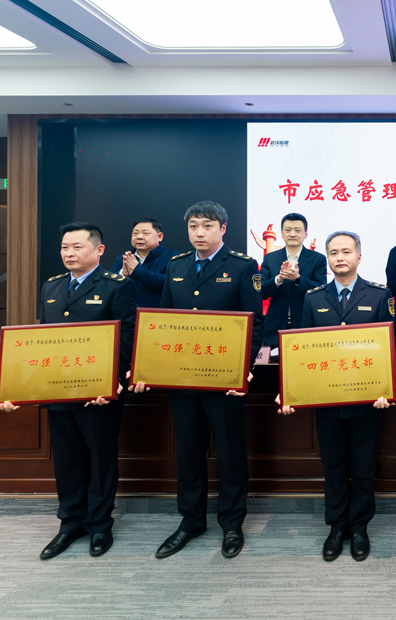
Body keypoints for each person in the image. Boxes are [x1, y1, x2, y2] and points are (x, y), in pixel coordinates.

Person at [0, 223, 140, 560]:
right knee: (67, 459)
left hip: (98, 392)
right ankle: (70, 522)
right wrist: (16, 385)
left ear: (98, 250)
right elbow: (41, 339)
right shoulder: (52, 286)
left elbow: (128, 337)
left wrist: (113, 381)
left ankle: (100, 524)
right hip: (58, 389)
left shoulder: (118, 286)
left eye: (76, 247)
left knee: (100, 458)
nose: (69, 254)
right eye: (64, 248)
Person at [154, 201, 264, 560]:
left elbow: (254, 323)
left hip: (224, 380)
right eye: (193, 226)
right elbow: (163, 321)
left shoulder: (243, 266)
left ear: (223, 228)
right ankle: (191, 521)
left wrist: (243, 368)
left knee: (230, 453)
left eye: (207, 226)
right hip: (184, 379)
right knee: (188, 451)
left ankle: (232, 523)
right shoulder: (176, 265)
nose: (199, 233)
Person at [276, 231, 394, 562]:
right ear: (326, 259)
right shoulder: (314, 297)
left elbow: (388, 347)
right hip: (327, 401)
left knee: (363, 467)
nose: (340, 258)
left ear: (359, 257)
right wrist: (291, 390)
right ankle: (337, 527)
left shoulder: (380, 294)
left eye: (346, 252)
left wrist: (386, 389)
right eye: (333, 253)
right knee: (334, 466)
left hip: (366, 401)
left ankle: (360, 527)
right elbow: (301, 348)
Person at [259, 212, 327, 355]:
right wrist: (278, 279)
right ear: (282, 233)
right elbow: (260, 292)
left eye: (297, 230)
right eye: (288, 230)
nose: (292, 234)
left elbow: (321, 291)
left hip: (305, 325)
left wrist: (298, 279)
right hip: (275, 327)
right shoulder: (270, 259)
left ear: (305, 234)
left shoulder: (318, 259)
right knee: (274, 367)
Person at [109, 218, 174, 308]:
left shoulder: (172, 257)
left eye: (145, 233)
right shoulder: (123, 258)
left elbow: (170, 284)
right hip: (125, 313)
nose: (139, 237)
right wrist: (122, 274)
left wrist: (136, 270)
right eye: (135, 233)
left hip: (155, 314)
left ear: (159, 236)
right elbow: (108, 285)